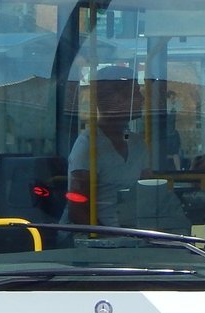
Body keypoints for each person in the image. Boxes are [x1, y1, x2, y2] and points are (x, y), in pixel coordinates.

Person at [65, 65, 151, 226]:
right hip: (94, 240)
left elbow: (149, 194)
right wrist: (105, 236)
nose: (142, 99)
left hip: (132, 234)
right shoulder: (88, 146)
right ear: (115, 98)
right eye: (135, 93)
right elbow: (77, 209)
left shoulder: (138, 144)